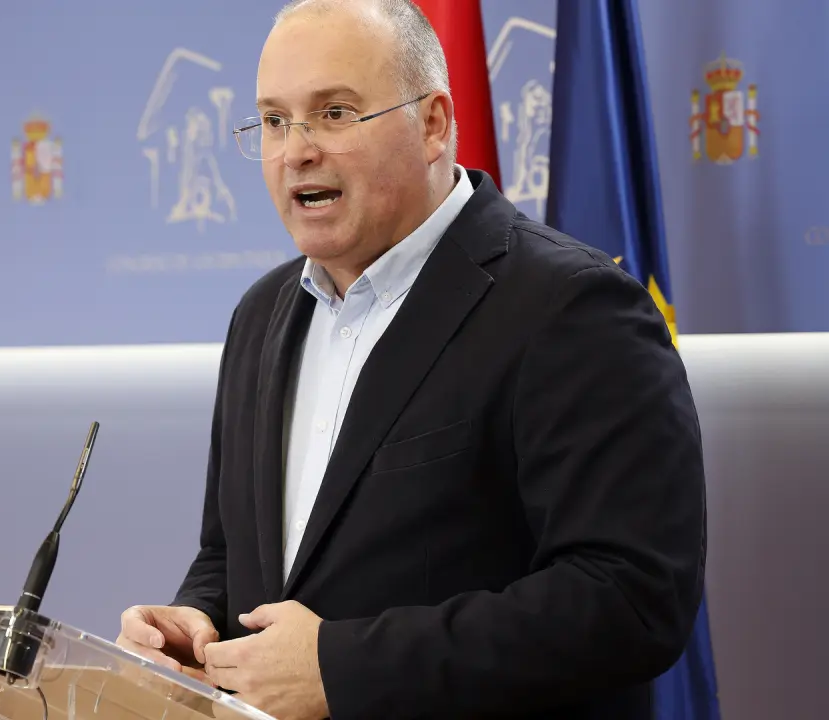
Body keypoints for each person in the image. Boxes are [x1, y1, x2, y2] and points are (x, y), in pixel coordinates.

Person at [115, 1, 707, 718]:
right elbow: (230, 552)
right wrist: (197, 621)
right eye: (274, 120)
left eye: (334, 113)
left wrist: (343, 667)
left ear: (432, 124)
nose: (296, 150)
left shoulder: (569, 306)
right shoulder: (260, 316)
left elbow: (631, 599)